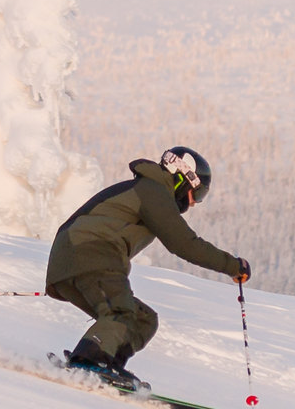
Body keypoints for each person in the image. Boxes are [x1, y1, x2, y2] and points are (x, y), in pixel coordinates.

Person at [46, 146, 250, 387]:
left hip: (72, 260)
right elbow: (184, 244)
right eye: (198, 194)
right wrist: (233, 266)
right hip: (89, 252)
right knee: (121, 312)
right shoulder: (153, 191)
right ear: (183, 179)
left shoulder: (146, 190)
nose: (195, 203)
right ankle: (88, 361)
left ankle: (107, 364)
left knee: (143, 320)